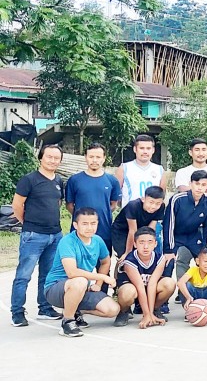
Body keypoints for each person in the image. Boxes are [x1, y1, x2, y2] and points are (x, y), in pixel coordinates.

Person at [42, 208, 119, 337]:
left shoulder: (98, 241)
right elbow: (72, 272)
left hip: (81, 289)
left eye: (93, 223)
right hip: (56, 288)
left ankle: (74, 308)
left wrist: (98, 284)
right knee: (80, 281)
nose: (89, 227)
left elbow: (106, 262)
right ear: (75, 225)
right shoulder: (67, 241)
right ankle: (68, 322)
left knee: (113, 310)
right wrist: (103, 277)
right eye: (85, 224)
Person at [162, 170, 207, 291]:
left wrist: (206, 249)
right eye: (197, 184)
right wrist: (168, 250)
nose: (199, 188)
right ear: (190, 184)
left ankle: (204, 293)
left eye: (203, 185)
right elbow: (169, 224)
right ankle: (164, 301)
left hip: (193, 236)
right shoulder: (177, 199)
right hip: (176, 236)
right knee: (168, 262)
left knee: (206, 261)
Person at [65, 143, 121, 256]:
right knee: (79, 265)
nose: (94, 160)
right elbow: (69, 205)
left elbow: (113, 205)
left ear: (104, 158)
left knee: (104, 264)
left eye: (98, 157)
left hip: (104, 230)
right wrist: (83, 218)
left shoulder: (112, 181)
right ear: (85, 157)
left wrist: (100, 215)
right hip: (79, 231)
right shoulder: (74, 180)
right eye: (91, 157)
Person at [114, 226, 174, 327]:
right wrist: (146, 315)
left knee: (169, 283)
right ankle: (124, 311)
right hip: (135, 291)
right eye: (141, 242)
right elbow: (140, 287)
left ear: (155, 244)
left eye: (150, 242)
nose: (146, 246)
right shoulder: (130, 261)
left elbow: (152, 284)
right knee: (128, 291)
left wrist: (149, 314)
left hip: (150, 291)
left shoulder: (160, 259)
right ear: (135, 244)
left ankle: (154, 310)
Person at [111, 186, 165, 259]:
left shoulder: (161, 207)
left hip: (140, 230)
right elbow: (132, 231)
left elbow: (150, 229)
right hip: (121, 231)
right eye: (151, 202)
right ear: (143, 199)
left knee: (143, 256)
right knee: (125, 258)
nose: (153, 206)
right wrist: (128, 253)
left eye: (158, 203)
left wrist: (147, 244)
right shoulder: (133, 206)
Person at [177, 247, 207, 319]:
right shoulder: (193, 269)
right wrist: (188, 297)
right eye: (205, 261)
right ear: (197, 261)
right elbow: (180, 282)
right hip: (194, 297)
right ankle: (191, 310)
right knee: (186, 285)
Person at [117, 134, 163, 205]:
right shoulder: (124, 168)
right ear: (135, 149)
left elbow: (162, 195)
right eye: (141, 148)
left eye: (148, 148)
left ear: (153, 150)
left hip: (152, 214)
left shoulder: (159, 169)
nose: (145, 151)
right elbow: (116, 193)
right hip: (130, 213)